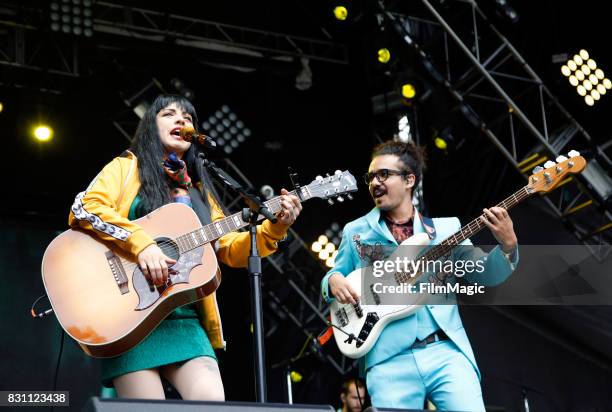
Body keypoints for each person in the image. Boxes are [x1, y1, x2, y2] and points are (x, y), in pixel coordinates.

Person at [68, 94, 302, 400]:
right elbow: (86, 208)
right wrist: (142, 245)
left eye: (188, 118)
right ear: (151, 128)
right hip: (131, 319)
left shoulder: (198, 190)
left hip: (186, 321)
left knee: (212, 405)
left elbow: (229, 249)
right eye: (169, 114)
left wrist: (276, 227)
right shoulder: (125, 168)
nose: (181, 121)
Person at [320, 140, 518, 411]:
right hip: (388, 360)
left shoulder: (447, 229)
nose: (375, 182)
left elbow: (483, 274)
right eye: (371, 177)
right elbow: (336, 274)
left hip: (446, 352)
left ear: (409, 179)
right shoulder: (356, 231)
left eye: (384, 175)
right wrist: (332, 281)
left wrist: (508, 247)